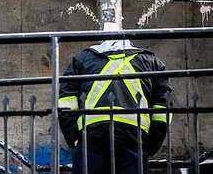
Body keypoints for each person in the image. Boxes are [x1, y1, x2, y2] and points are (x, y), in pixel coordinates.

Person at [58, 39, 171, 174]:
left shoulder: (81, 59)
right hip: (133, 136)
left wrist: (73, 137)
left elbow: (66, 101)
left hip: (92, 135)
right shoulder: (152, 62)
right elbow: (163, 107)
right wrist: (152, 143)